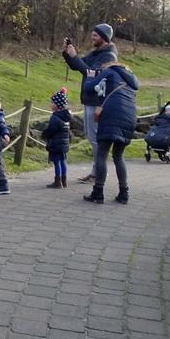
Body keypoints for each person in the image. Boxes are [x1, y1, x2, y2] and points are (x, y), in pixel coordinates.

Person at [62, 24, 119, 183]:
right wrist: (68, 54)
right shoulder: (96, 53)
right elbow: (77, 65)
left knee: (95, 138)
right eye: (92, 34)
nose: (92, 38)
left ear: (104, 37)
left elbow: (89, 73)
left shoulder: (108, 56)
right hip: (89, 100)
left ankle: (98, 173)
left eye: (95, 35)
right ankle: (97, 171)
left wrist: (75, 56)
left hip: (97, 102)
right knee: (91, 136)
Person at [81, 61, 139, 204]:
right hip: (130, 116)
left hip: (111, 113)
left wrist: (90, 77)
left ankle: (98, 192)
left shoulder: (109, 71)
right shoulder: (131, 78)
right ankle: (123, 193)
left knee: (102, 154)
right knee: (118, 155)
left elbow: (88, 89)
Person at [42, 88, 72, 189]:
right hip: (63, 143)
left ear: (57, 105)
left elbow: (51, 130)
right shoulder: (66, 116)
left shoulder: (55, 118)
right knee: (63, 161)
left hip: (56, 143)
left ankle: (57, 181)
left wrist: (45, 135)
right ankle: (64, 180)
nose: (50, 104)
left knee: (56, 162)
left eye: (52, 102)